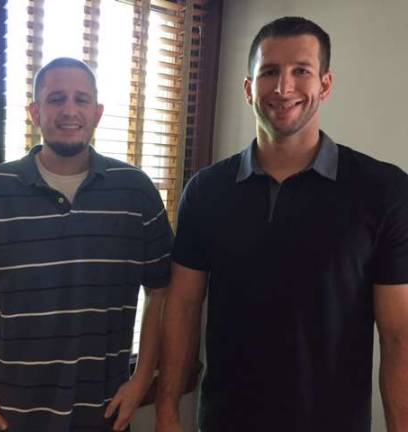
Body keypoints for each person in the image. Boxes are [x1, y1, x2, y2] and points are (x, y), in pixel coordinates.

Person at [156, 16, 408, 432]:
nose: (283, 87)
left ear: (325, 85)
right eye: (269, 72)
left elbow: (398, 336)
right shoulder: (206, 191)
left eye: (301, 71)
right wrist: (166, 410)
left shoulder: (383, 190)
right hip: (225, 420)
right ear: (247, 88)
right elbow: (183, 306)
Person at [0, 57, 172, 432]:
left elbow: (161, 291)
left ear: (98, 112)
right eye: (56, 99)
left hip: (103, 411)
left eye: (81, 99)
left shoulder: (136, 192)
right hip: (7, 412)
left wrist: (142, 379)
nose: (69, 110)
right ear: (34, 112)